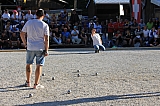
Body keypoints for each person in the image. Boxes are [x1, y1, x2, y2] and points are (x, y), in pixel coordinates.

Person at [20, 9, 50, 89]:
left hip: (30, 46)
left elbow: (22, 33)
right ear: (43, 16)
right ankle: (36, 84)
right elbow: (46, 38)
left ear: (35, 15)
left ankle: (28, 82)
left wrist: (25, 43)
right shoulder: (45, 25)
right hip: (40, 47)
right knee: (39, 65)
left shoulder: (29, 22)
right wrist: (46, 50)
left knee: (28, 64)